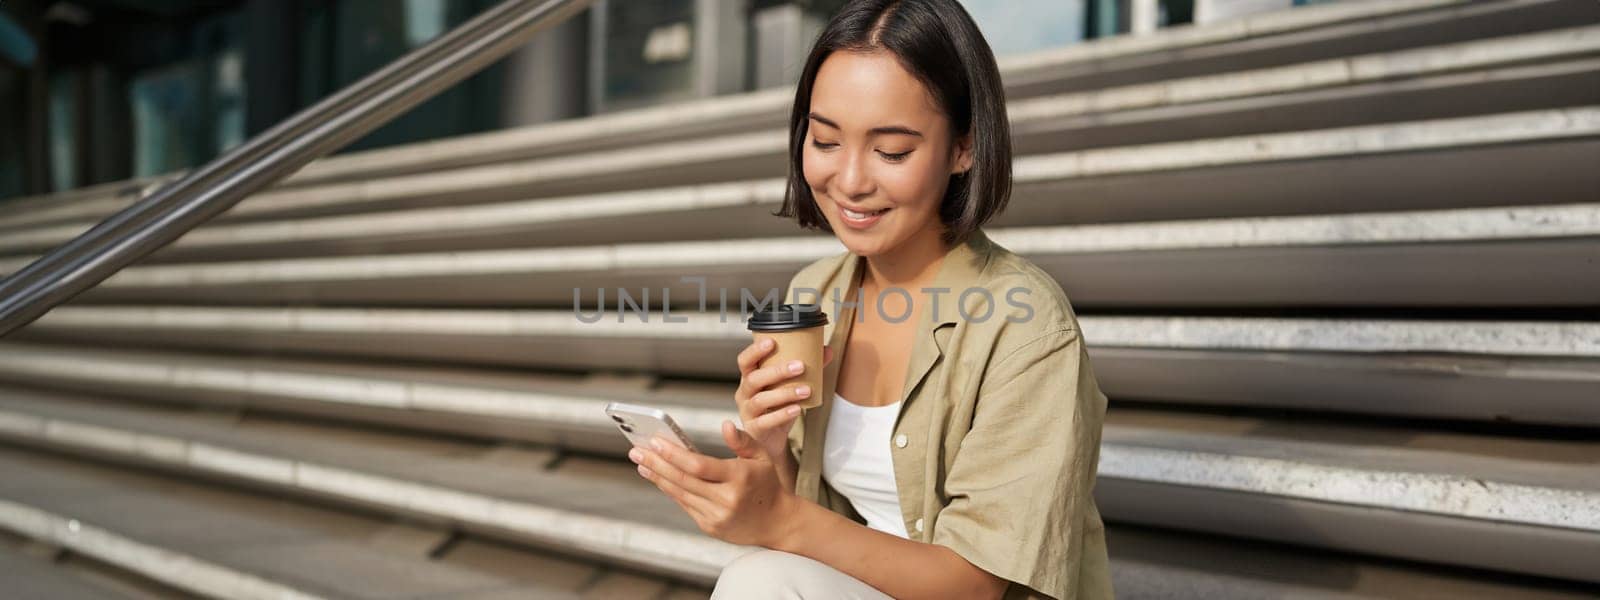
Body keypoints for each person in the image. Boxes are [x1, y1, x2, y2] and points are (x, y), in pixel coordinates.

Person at [626, 0, 1113, 597]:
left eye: (892, 152)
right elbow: (809, 523)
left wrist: (781, 519)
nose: (851, 180)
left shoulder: (1025, 324)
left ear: (965, 147)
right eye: (826, 141)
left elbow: (979, 584)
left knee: (760, 580)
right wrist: (771, 456)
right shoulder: (816, 294)